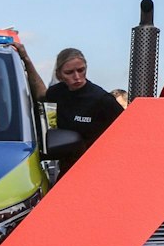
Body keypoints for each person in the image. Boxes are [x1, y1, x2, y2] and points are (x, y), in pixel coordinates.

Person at [17, 43, 123, 173]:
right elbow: (41, 95)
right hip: (68, 169)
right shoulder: (59, 92)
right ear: (59, 75)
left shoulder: (102, 99)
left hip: (97, 169)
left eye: (81, 70)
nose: (77, 77)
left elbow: (126, 130)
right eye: (69, 72)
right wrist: (26, 59)